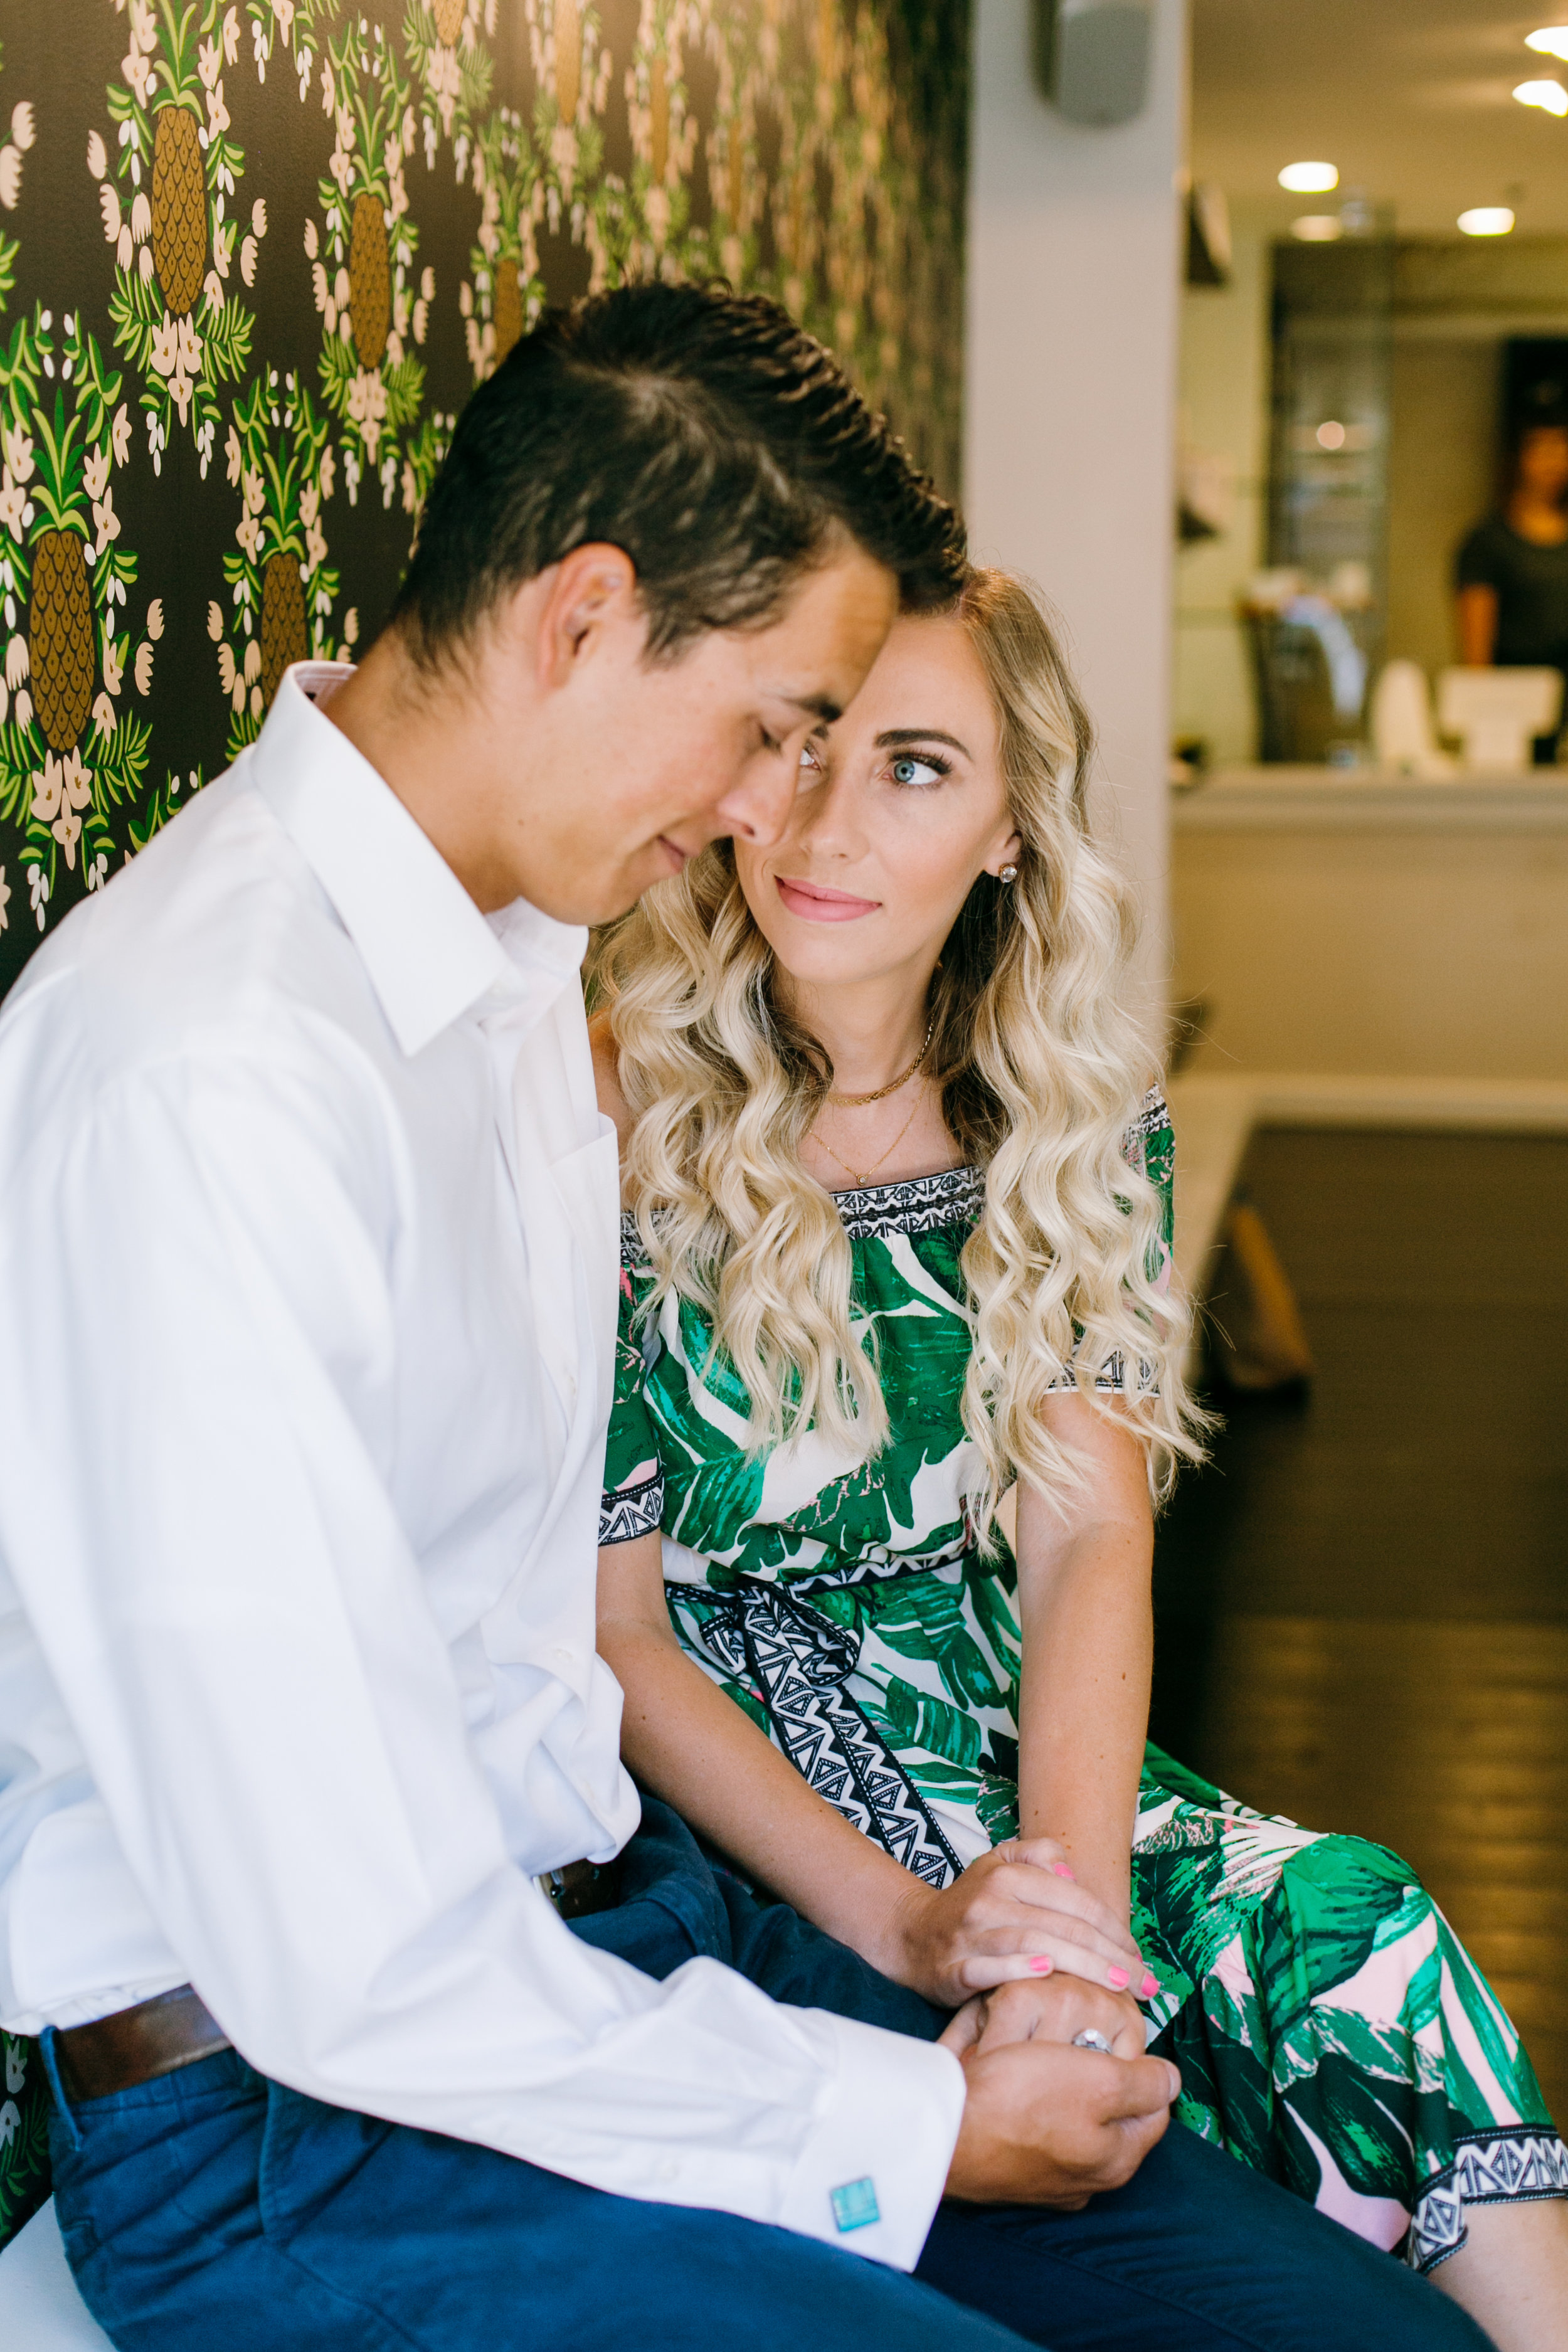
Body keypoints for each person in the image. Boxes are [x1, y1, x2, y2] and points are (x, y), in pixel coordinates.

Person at [0, 282, 1496, 2352]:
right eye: (777, 722)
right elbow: (352, 1959)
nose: (763, 809)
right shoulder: (206, 1071)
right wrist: (910, 2125)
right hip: (300, 2131)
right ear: (588, 618)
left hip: (631, 1951)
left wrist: (929, 1973)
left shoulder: (521, 969)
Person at [592, 564, 1568, 2352]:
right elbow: (617, 1634)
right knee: (1139, 2138)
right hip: (738, 1798)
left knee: (1366, 1931)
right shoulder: (611, 1107)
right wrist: (915, 1926)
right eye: (801, 747)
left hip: (1005, 1725)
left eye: (912, 766)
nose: (821, 819)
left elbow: (1084, 1540)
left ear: (1010, 833)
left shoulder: (1071, 1118)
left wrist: (1072, 1930)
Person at [1456, 418, 1568, 761]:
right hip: (1517, 701)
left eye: (1561, 449)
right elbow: (1476, 642)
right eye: (1542, 450)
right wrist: (1483, 711)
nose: (1552, 462)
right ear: (1519, 459)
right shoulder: (1488, 543)